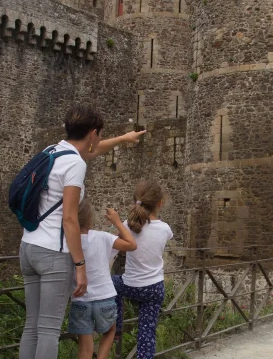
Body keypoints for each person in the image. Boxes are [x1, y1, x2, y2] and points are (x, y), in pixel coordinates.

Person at [19, 104, 145, 359]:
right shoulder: (75, 164)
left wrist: (123, 138)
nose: (98, 140)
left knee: (32, 325)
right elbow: (69, 218)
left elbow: (93, 149)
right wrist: (79, 264)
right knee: (48, 330)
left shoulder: (51, 152)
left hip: (28, 246)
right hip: (53, 253)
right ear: (92, 132)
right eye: (99, 134)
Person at [68, 199, 137, 359]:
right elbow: (131, 245)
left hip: (80, 298)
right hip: (104, 297)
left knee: (85, 348)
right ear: (90, 219)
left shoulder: (68, 241)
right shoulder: (102, 237)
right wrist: (117, 222)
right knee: (110, 331)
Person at [112, 181, 173, 359]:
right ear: (160, 203)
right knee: (147, 334)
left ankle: (116, 326)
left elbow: (115, 247)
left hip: (130, 286)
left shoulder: (127, 225)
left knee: (113, 282)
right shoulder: (165, 229)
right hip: (153, 288)